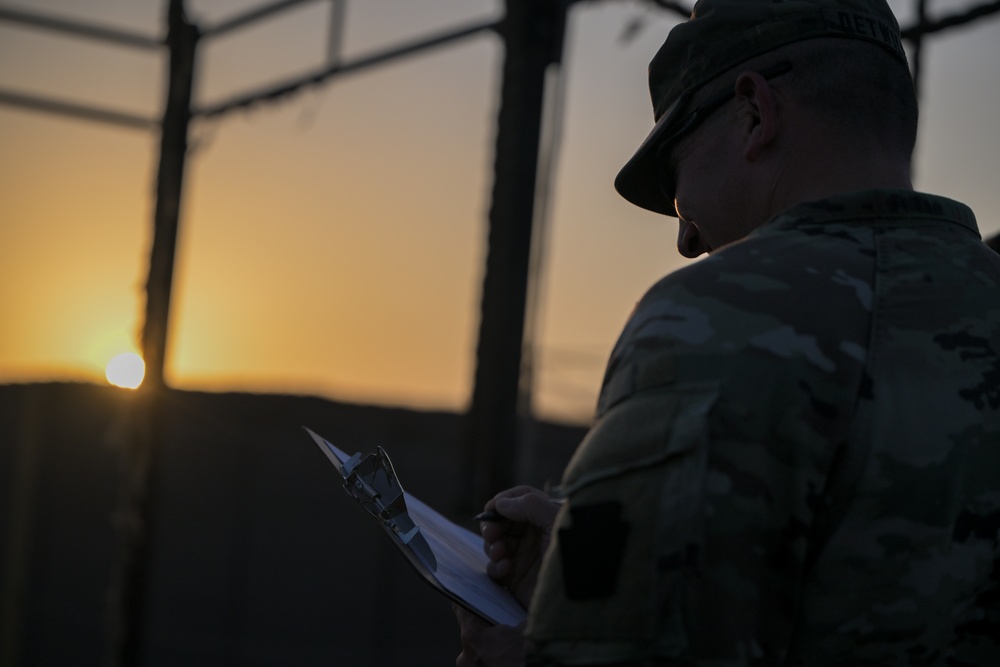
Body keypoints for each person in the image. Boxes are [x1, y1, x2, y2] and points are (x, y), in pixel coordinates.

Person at [455, 0, 1000, 664]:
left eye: (678, 186)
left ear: (753, 112)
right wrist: (576, 556)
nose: (685, 239)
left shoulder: (709, 319)